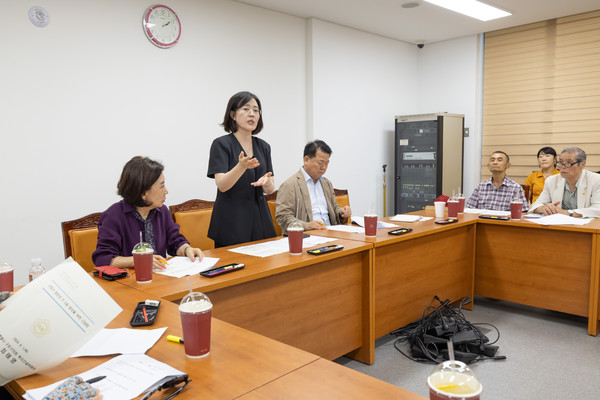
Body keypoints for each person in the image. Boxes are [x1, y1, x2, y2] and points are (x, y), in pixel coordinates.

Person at [92, 156, 203, 268]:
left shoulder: (161, 211)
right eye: (162, 186)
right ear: (144, 194)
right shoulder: (113, 216)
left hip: (160, 278)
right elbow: (103, 259)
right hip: (130, 281)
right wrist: (137, 261)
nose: (166, 191)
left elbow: (174, 241)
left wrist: (187, 249)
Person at [207, 91, 276, 247]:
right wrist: (241, 167)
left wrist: (266, 182)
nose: (251, 114)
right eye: (246, 109)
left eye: (256, 110)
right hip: (232, 220)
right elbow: (222, 185)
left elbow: (270, 188)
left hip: (260, 217)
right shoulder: (221, 144)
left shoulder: (264, 146)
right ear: (233, 115)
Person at [275, 140, 351, 234]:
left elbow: (334, 207)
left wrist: (341, 212)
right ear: (306, 160)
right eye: (320, 162)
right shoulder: (290, 185)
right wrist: (305, 225)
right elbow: (283, 216)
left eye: (327, 163)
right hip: (306, 236)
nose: (323, 167)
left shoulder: (326, 183)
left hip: (330, 233)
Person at [529, 147, 600, 218]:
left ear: (582, 164)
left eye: (569, 163)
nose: (563, 167)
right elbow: (536, 204)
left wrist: (567, 213)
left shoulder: (596, 180)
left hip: (586, 226)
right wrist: (544, 208)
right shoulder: (551, 180)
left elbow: (597, 209)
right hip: (558, 225)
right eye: (560, 162)